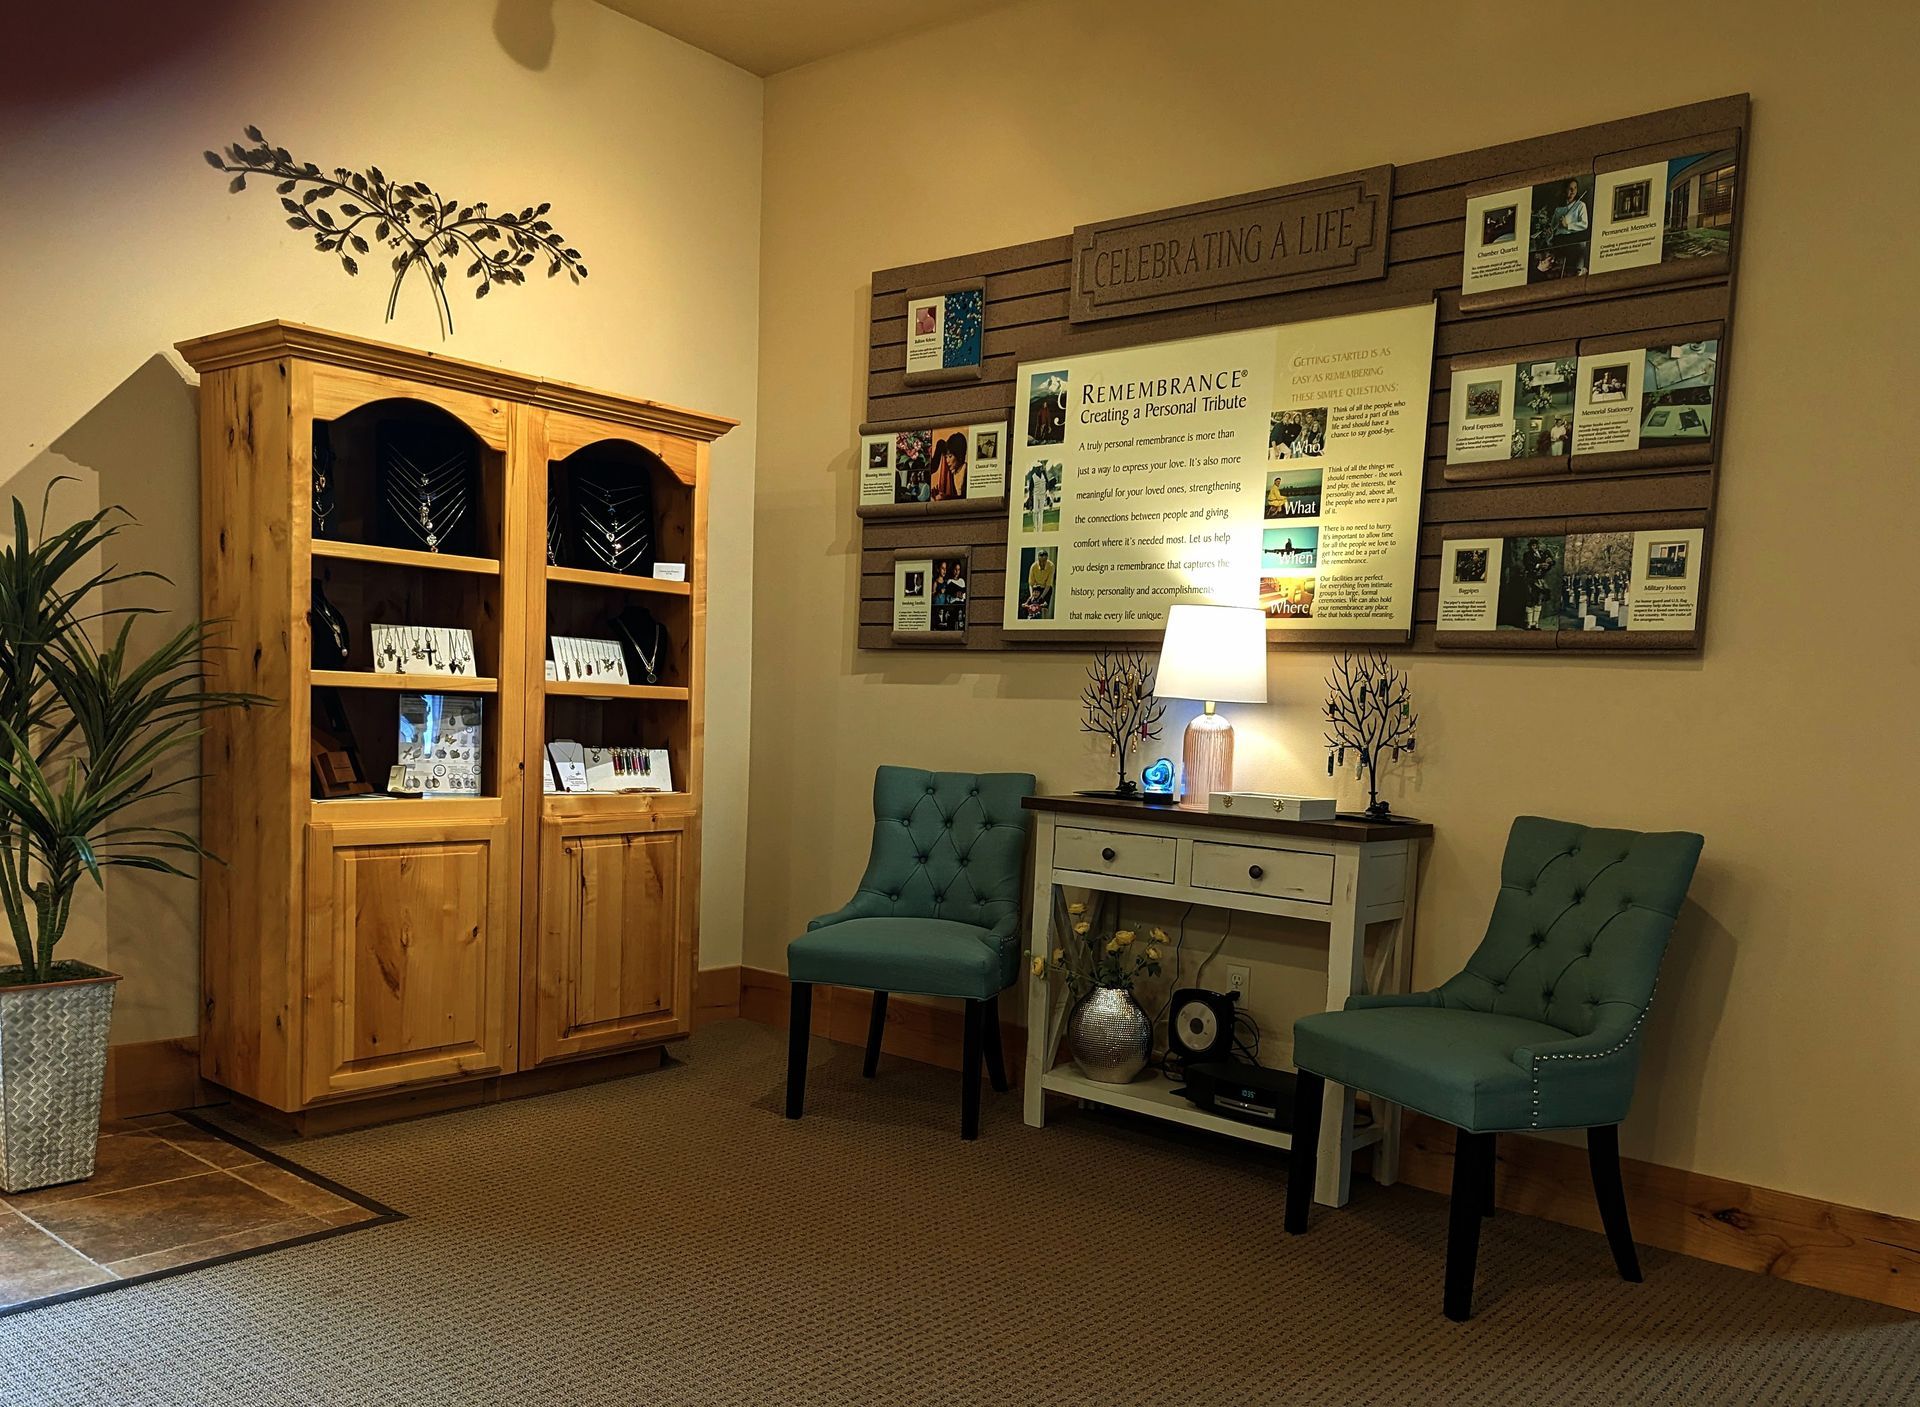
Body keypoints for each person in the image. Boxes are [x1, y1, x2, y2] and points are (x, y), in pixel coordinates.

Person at [928, 431, 968, 500]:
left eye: (950, 456)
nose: (947, 461)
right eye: (946, 457)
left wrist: (946, 497)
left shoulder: (966, 471)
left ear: (959, 455)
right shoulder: (953, 473)